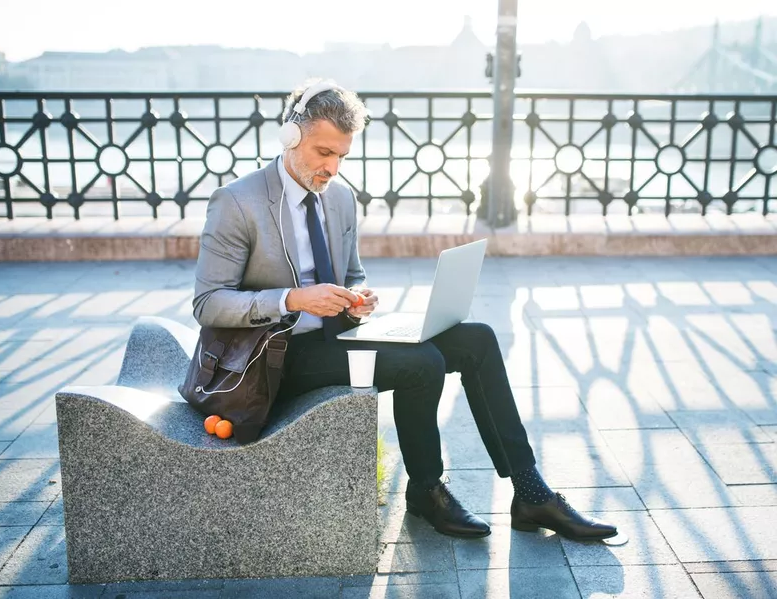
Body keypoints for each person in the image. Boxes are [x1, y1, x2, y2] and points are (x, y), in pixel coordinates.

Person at [192, 79, 618, 542]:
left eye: (341, 156)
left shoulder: (339, 197)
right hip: (278, 355)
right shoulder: (238, 202)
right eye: (322, 153)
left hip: (340, 336)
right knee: (421, 363)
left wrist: (360, 298)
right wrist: (292, 299)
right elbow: (208, 303)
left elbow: (352, 273)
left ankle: (531, 493)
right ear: (290, 137)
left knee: (477, 340)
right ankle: (426, 490)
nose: (332, 168)